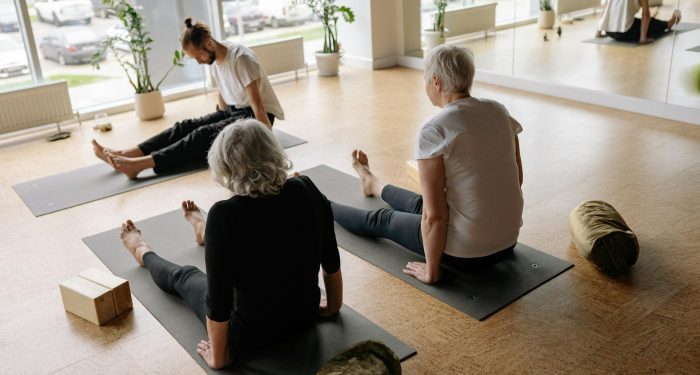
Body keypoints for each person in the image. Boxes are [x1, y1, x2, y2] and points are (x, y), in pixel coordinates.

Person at [119, 119, 343, 369]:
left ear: (226, 166)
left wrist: (219, 356)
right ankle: (203, 230)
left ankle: (142, 251)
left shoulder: (225, 215)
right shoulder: (306, 188)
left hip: (249, 337)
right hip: (303, 316)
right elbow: (331, 259)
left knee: (184, 276)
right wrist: (333, 306)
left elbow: (218, 302)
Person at [330, 45, 524, 284]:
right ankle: (373, 183)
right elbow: (518, 180)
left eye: (425, 80)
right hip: (508, 240)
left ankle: (321, 204)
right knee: (418, 203)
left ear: (436, 82)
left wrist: (432, 271)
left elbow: (434, 217)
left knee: (383, 219)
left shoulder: (435, 129)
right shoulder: (499, 111)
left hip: (468, 253)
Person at [92, 17, 284, 179]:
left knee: (201, 134)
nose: (199, 62)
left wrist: (268, 146)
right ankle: (128, 153)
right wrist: (219, 118)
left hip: (257, 117)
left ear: (208, 44)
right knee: (185, 126)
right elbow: (224, 94)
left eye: (198, 56)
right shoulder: (216, 59)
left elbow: (257, 105)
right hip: (236, 111)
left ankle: (139, 165)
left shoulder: (241, 58)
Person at [596, 0, 681, 44]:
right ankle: (669, 23)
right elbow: (646, 15)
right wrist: (643, 39)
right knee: (651, 23)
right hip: (626, 32)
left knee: (642, 21)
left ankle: (655, 17)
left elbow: (605, 9)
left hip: (609, 31)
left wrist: (598, 32)